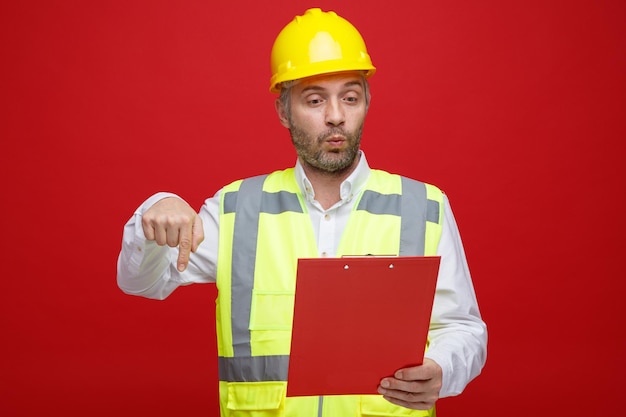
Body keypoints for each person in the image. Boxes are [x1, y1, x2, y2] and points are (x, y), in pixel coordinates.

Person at [117, 8, 487, 417]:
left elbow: (463, 329)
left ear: (366, 102)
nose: (335, 115)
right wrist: (153, 212)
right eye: (314, 99)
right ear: (283, 111)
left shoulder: (426, 207)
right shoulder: (236, 210)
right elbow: (140, 283)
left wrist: (442, 370)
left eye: (350, 97)